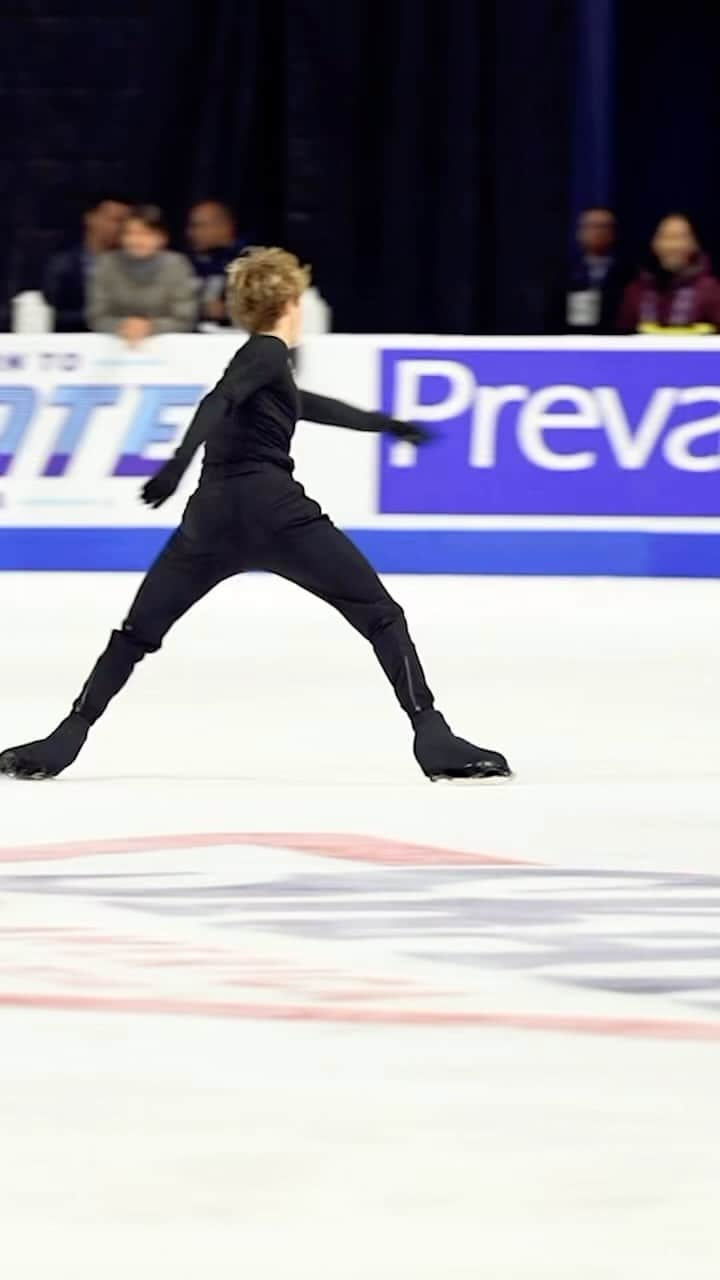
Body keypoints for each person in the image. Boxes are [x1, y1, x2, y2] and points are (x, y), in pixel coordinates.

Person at [0, 247, 511, 785]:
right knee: (380, 615)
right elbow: (218, 400)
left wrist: (384, 423)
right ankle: (432, 735)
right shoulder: (265, 352)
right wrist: (174, 464)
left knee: (136, 634)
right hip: (275, 514)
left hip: (212, 520)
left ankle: (67, 736)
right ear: (292, 302)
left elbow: (310, 406)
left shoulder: (267, 367)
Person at [87, 204, 197, 342]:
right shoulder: (106, 264)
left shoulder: (177, 265)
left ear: (162, 238)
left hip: (166, 345)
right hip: (114, 343)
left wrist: (151, 327)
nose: (136, 240)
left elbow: (186, 317)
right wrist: (123, 326)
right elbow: (96, 316)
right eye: (130, 233)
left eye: (146, 233)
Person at [618, 214, 720, 333]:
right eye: (665, 237)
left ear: (694, 244)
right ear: (654, 244)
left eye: (679, 238)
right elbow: (622, 338)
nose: (672, 246)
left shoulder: (711, 290)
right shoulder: (636, 291)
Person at [42, 194, 130, 332]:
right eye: (115, 220)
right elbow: (49, 312)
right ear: (90, 218)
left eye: (125, 222)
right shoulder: (62, 265)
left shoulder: (133, 265)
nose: (121, 227)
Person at [554, 207, 625, 334]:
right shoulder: (563, 272)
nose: (598, 232)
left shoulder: (628, 272)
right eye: (592, 226)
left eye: (604, 227)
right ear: (579, 232)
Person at [186, 200, 248, 327]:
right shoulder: (183, 261)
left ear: (225, 227)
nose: (191, 233)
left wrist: (228, 311)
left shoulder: (249, 262)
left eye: (200, 225)